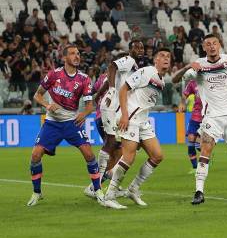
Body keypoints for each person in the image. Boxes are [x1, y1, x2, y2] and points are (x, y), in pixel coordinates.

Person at [172, 34, 227, 205]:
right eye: (208, 44)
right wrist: (186, 68)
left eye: (214, 43)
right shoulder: (199, 65)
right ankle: (199, 191)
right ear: (204, 47)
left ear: (219, 45)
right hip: (211, 116)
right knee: (205, 151)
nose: (212, 46)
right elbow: (176, 79)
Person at [27, 45, 102, 207]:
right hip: (52, 123)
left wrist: (84, 114)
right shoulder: (54, 74)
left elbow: (90, 105)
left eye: (78, 54)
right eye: (73, 54)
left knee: (89, 154)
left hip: (71, 123)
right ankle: (37, 193)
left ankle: (98, 191)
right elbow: (37, 95)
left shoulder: (84, 79)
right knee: (35, 155)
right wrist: (47, 105)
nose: (77, 56)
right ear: (64, 58)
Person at [102, 48, 173, 209]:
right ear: (155, 60)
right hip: (130, 118)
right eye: (162, 56)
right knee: (128, 157)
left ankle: (132, 189)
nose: (166, 58)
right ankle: (109, 195)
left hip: (143, 121)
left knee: (157, 156)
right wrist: (125, 115)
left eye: (168, 56)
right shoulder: (147, 71)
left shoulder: (161, 80)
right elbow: (123, 89)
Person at [96, 40, 145, 187]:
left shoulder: (135, 67)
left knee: (121, 150)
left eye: (142, 47)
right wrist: (110, 91)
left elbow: (111, 77)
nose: (140, 49)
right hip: (114, 110)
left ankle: (103, 185)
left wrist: (98, 94)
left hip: (117, 110)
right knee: (115, 146)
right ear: (130, 49)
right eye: (137, 47)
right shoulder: (129, 60)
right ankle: (96, 184)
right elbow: (112, 67)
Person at [176, 79, 204, 174]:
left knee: (198, 144)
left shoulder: (211, 79)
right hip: (195, 115)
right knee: (190, 140)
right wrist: (182, 103)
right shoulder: (193, 82)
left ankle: (206, 156)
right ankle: (195, 167)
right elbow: (185, 94)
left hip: (207, 116)